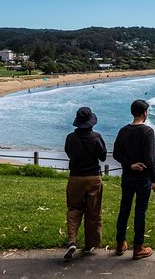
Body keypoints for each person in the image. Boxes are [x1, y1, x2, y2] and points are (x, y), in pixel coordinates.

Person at [113, 99, 155, 260]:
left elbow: (116, 154)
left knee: (124, 209)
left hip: (127, 177)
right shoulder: (147, 132)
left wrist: (130, 165)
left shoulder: (123, 130)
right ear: (145, 113)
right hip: (143, 179)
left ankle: (120, 244)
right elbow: (150, 158)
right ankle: (138, 248)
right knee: (140, 211)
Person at [63, 107, 107, 260]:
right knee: (93, 211)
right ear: (91, 123)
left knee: (74, 209)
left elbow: (68, 153)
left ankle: (72, 240)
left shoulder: (70, 138)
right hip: (93, 178)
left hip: (75, 177)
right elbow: (102, 157)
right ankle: (89, 245)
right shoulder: (96, 137)